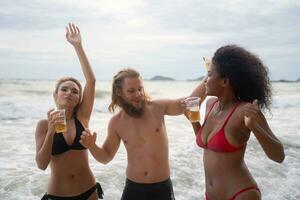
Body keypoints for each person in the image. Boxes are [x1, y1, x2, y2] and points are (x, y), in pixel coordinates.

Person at [184, 45, 285, 200]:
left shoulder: (245, 110)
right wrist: (194, 121)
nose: (205, 81)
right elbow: (207, 141)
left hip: (240, 194)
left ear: (225, 81)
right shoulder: (212, 105)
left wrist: (254, 127)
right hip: (210, 196)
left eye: (209, 76)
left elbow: (279, 156)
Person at [80, 68, 188, 200]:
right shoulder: (116, 122)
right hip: (133, 188)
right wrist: (91, 145)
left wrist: (211, 77)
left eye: (140, 89)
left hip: (161, 187)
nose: (138, 94)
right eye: (131, 91)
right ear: (119, 93)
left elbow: (188, 103)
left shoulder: (158, 108)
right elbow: (106, 157)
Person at [35, 23, 103, 200]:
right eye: (64, 89)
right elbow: (41, 165)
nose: (69, 93)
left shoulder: (82, 117)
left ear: (79, 98)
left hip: (89, 192)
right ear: (55, 95)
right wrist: (51, 131)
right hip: (56, 195)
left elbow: (91, 81)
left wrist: (78, 45)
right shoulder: (43, 125)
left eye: (75, 91)